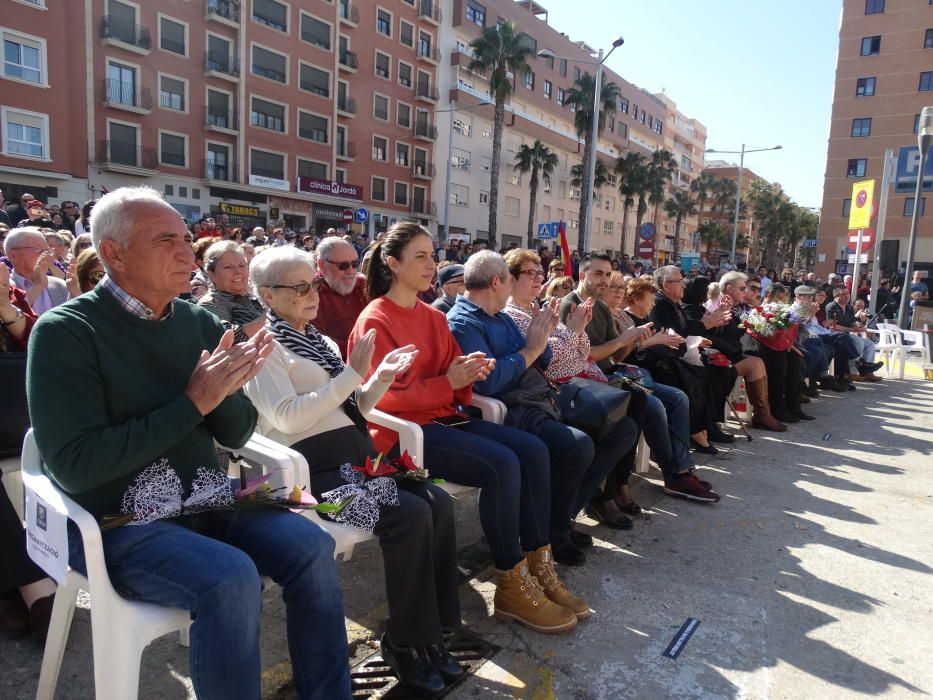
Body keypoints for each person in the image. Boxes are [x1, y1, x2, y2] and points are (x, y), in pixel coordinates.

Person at [26, 186, 351, 699]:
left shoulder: (198, 321)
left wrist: (230, 384)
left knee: (312, 544)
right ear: (113, 253)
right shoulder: (66, 331)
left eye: (185, 237)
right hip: (117, 520)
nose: (186, 252)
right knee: (230, 577)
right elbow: (76, 466)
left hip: (203, 499)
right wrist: (193, 402)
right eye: (165, 241)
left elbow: (237, 432)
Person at [244, 247, 464, 696]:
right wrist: (351, 375)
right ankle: (405, 642)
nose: (312, 295)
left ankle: (434, 632)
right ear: (267, 294)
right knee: (409, 514)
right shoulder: (264, 348)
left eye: (313, 285)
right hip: (311, 475)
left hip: (356, 460)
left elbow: (354, 406)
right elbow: (286, 419)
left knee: (437, 502)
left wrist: (377, 377)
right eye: (299, 287)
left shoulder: (318, 341)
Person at [350, 223, 584, 635]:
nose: (431, 264)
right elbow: (384, 400)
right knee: (502, 464)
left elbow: (457, 375)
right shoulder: (376, 319)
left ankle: (538, 563)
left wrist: (471, 372)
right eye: (420, 257)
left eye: (432, 253)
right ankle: (510, 582)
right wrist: (451, 382)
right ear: (392, 264)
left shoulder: (431, 315)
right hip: (405, 436)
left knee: (533, 451)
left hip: (444, 418)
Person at [449, 251, 637, 562]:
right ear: (498, 282)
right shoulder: (465, 323)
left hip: (540, 397)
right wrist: (533, 349)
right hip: (514, 407)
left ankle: (561, 520)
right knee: (577, 446)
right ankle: (553, 531)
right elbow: (489, 382)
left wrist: (556, 335)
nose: (540, 280)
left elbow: (551, 361)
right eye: (523, 276)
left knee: (623, 425)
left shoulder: (502, 317)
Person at [648, 266, 736, 450]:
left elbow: (686, 328)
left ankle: (707, 426)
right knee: (701, 375)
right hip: (662, 361)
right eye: (679, 281)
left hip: (678, 355)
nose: (683, 285)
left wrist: (707, 324)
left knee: (716, 371)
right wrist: (704, 324)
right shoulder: (660, 304)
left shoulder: (673, 303)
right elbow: (671, 334)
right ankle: (698, 430)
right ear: (666, 285)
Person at [709, 272, 785, 432]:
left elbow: (763, 328)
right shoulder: (717, 305)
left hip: (733, 352)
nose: (747, 292)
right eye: (743, 288)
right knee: (758, 362)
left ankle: (766, 412)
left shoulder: (738, 307)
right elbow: (713, 334)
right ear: (729, 289)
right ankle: (763, 414)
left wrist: (757, 306)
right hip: (718, 357)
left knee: (772, 359)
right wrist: (723, 312)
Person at [197, 241, 265, 342]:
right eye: (228, 267)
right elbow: (228, 337)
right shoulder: (210, 303)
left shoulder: (255, 297)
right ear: (211, 274)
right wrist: (273, 317)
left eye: (242, 265)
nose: (238, 271)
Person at [315, 236, 367, 359]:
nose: (351, 271)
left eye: (355, 264)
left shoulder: (364, 285)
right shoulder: (310, 292)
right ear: (322, 265)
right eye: (343, 266)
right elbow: (316, 343)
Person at [5, 227, 70, 316]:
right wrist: (38, 286)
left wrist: (75, 292)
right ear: (13, 255)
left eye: (47, 250)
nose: (44, 254)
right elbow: (11, 317)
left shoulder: (60, 285)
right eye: (36, 249)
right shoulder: (5, 288)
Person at [824, 286, 883, 382]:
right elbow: (833, 326)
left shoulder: (849, 308)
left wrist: (860, 326)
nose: (847, 296)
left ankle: (867, 371)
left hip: (846, 334)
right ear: (836, 296)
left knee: (870, 344)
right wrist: (852, 329)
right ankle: (852, 372)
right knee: (859, 343)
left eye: (848, 293)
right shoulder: (832, 306)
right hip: (835, 335)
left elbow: (852, 323)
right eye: (844, 294)